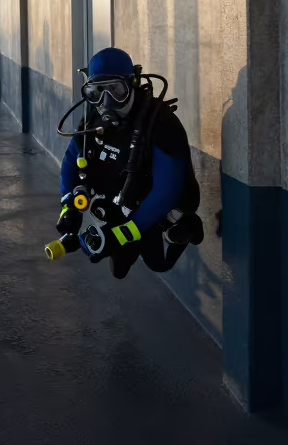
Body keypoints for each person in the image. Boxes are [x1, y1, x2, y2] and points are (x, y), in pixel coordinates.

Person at [51, 47, 204, 279]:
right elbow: (71, 160)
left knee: (158, 264)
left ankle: (187, 227)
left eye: (116, 90)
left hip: (153, 206)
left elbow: (167, 189)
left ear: (131, 84)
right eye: (96, 92)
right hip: (119, 201)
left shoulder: (161, 124)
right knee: (119, 270)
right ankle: (131, 242)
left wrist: (121, 234)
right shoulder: (92, 119)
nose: (106, 101)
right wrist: (68, 206)